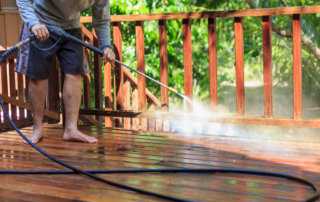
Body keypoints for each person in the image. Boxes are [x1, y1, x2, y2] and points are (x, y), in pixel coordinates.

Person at [15, 0, 115, 144]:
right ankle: (37, 129)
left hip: (71, 26)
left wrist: (106, 46)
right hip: (40, 21)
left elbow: (101, 19)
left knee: (75, 72)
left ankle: (71, 130)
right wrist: (33, 23)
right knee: (37, 77)